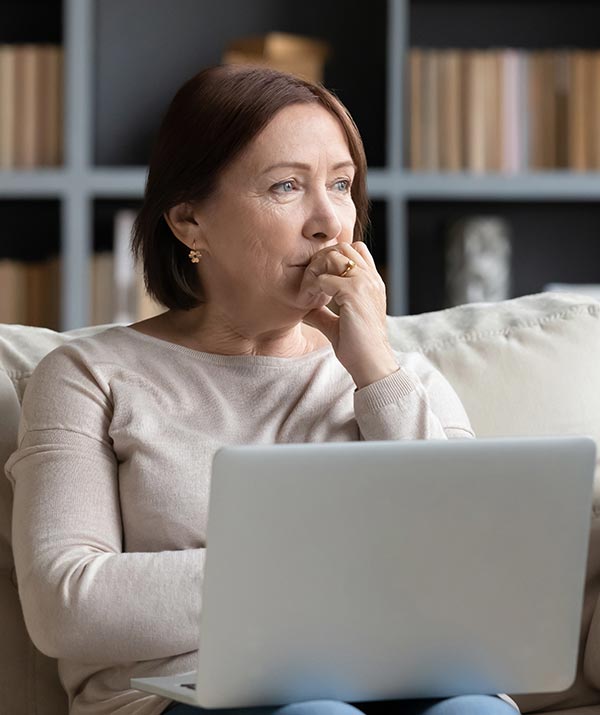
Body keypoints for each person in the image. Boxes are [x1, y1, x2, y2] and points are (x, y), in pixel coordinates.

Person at [4, 65, 513, 715]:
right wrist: (339, 573)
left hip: (396, 677)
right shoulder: (87, 375)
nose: (331, 222)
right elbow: (66, 604)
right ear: (190, 221)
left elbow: (475, 576)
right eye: (286, 187)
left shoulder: (394, 374)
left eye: (341, 185)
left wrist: (376, 373)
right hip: (190, 692)